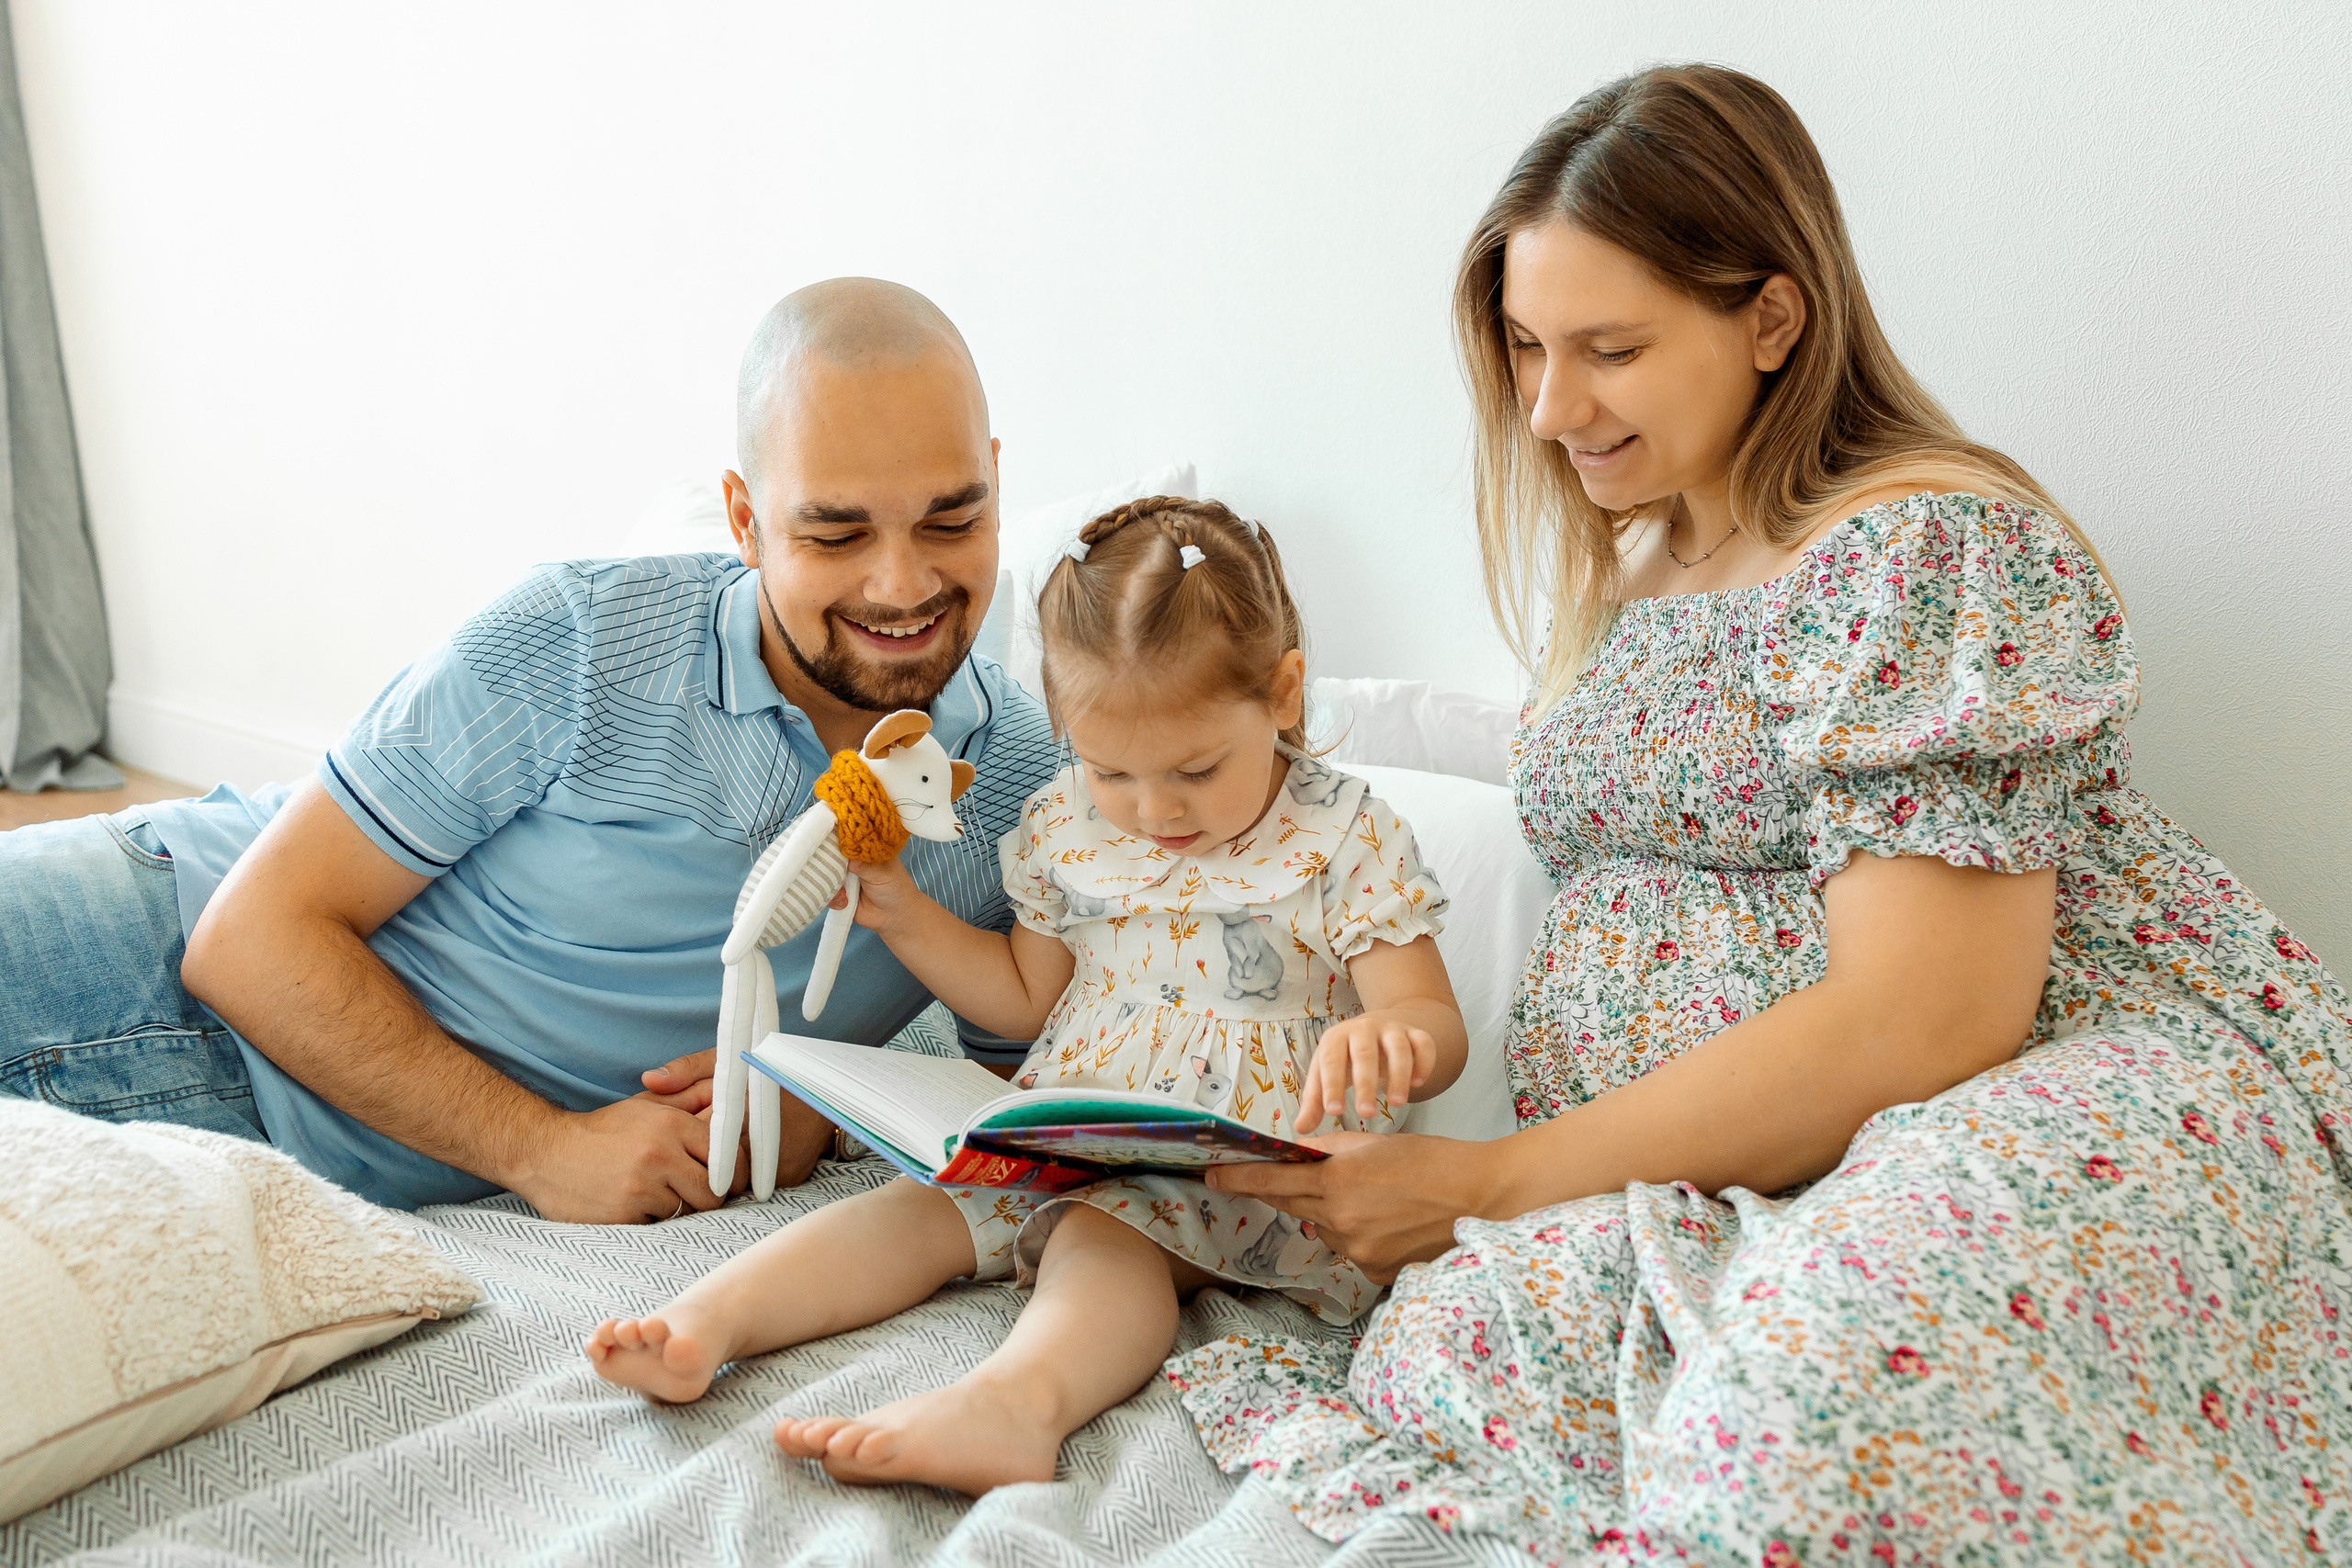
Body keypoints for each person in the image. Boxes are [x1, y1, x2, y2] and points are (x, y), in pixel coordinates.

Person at [1180, 64, 2352, 1562]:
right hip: (1713, 1176)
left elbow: (1933, 1015)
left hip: (2009, 1096)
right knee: (1443, 1356)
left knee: (1798, 1426)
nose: (1548, 408)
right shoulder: (1637, 570)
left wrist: (1488, 1179)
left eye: (1610, 349)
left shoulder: (1920, 546)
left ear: (1774, 320)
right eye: (1527, 347)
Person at [0, 278, 1063, 1223]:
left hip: (252, 1165)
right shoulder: (579, 637)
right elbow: (246, 940)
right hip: (136, 943)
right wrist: (540, 1151)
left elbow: (1040, 1091)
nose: (901, 585)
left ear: (994, 483)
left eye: (949, 522)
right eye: (835, 535)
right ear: (744, 521)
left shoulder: (1025, 790)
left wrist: (825, 1118)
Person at [584, 495, 1471, 1495]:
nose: (1153, 809)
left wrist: (1396, 1039)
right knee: (926, 1203)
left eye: (1194, 768)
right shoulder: (1069, 825)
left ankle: (1015, 1408)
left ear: (1283, 694)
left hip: (1243, 1168)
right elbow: (1020, 1000)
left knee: (1103, 1230)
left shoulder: (1342, 834)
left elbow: (1434, 1024)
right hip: (1073, 1126)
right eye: (1111, 770)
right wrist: (900, 911)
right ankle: (704, 1324)